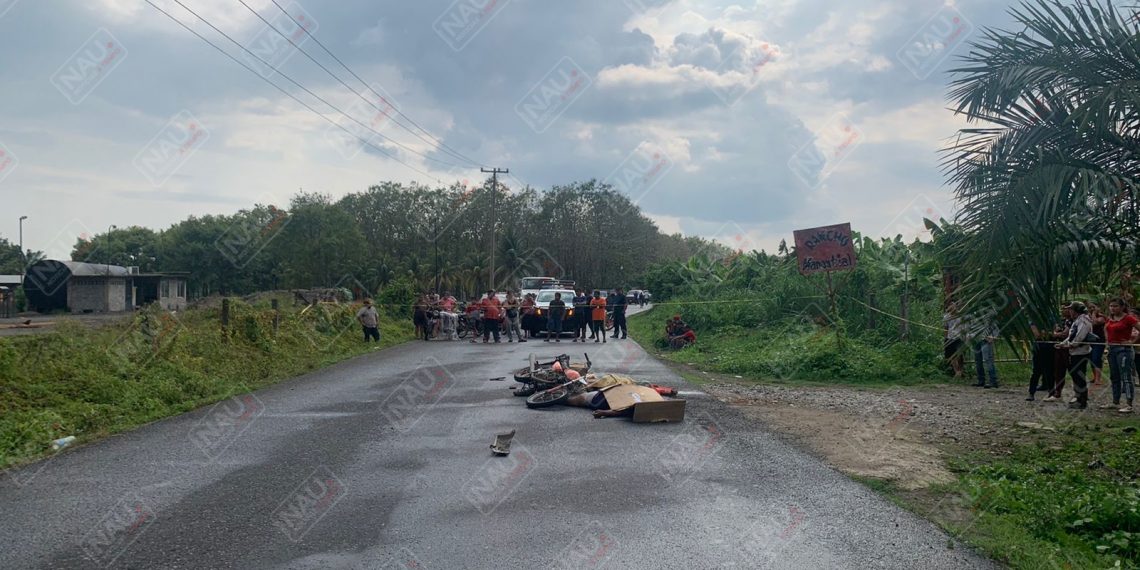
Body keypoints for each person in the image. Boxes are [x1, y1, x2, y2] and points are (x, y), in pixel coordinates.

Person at [1056, 301, 1095, 409]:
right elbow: (1071, 335)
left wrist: (1071, 345)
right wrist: (1063, 343)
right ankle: (1078, 397)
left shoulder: (1084, 320)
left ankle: (1082, 400)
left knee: (1079, 376)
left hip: (1080, 352)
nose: (1069, 311)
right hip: (1074, 352)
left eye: (1071, 309)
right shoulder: (1076, 321)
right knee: (1075, 375)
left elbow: (1080, 336)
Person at [1104, 298, 1140, 413]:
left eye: (1115, 306)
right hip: (1112, 349)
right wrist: (1107, 342)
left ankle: (1129, 404)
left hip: (1124, 350)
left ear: (1122, 307)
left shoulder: (1128, 318)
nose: (1112, 308)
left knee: (1126, 376)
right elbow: (1106, 329)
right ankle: (1115, 402)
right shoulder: (1111, 318)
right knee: (1114, 376)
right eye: (1111, 306)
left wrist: (1132, 342)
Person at [1045, 304, 1074, 402]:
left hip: (1069, 349)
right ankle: (1057, 393)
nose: (1063, 311)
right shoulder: (1061, 321)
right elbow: (1057, 331)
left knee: (1073, 371)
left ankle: (1078, 394)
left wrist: (1054, 334)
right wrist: (1056, 333)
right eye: (1062, 309)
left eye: (1066, 309)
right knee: (1058, 372)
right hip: (1059, 348)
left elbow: (1065, 334)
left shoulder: (1074, 321)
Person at [1027, 319, 1055, 401]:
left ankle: (1051, 392)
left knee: (1050, 372)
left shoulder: (1050, 319)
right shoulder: (1034, 321)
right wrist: (1049, 333)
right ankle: (1031, 392)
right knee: (1036, 372)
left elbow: (1055, 332)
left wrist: (1048, 333)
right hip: (1039, 349)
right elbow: (1037, 335)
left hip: (1049, 349)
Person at [971, 316, 999, 389]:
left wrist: (993, 337)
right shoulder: (974, 315)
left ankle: (993, 381)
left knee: (988, 360)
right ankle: (981, 380)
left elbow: (995, 328)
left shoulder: (987, 314)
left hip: (985, 340)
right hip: (976, 340)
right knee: (978, 361)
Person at [942, 302, 966, 378]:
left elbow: (964, 327)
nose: (952, 307)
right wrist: (945, 338)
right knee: (952, 355)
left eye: (953, 305)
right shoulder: (946, 317)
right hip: (950, 337)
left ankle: (961, 371)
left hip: (959, 337)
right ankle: (956, 372)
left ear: (956, 306)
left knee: (960, 355)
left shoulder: (960, 316)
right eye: (950, 306)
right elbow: (945, 328)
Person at [1089, 301, 1107, 385]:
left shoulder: (1102, 317)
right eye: (1090, 307)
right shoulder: (1086, 317)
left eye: (1094, 307)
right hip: (1090, 341)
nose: (1092, 309)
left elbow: (1095, 322)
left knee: (1096, 358)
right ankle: (1094, 376)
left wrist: (1094, 313)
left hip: (1099, 341)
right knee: (1091, 359)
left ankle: (1098, 379)